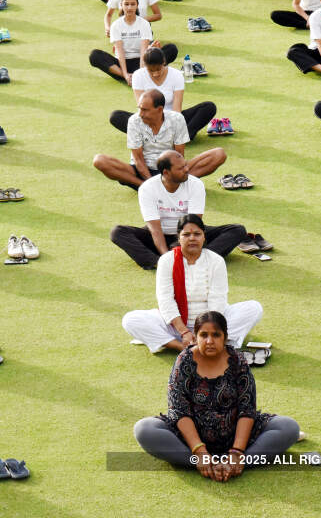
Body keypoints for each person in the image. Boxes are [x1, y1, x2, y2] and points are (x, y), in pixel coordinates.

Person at [132, 310, 300, 479]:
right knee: (144, 429)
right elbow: (179, 411)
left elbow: (247, 409)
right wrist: (199, 451)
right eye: (203, 335)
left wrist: (236, 452)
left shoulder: (237, 361)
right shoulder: (184, 361)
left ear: (225, 337)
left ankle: (234, 462)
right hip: (191, 441)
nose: (209, 341)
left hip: (236, 437)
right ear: (195, 337)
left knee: (288, 427)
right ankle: (204, 463)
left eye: (216, 335)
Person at [122, 216, 263, 353]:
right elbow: (165, 300)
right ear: (179, 237)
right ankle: (180, 346)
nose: (192, 238)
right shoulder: (167, 260)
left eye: (197, 234)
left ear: (204, 237)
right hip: (174, 326)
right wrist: (184, 331)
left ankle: (210, 340)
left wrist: (206, 332)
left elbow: (217, 300)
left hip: (211, 322)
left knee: (254, 308)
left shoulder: (216, 260)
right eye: (186, 234)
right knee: (130, 320)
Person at [109, 150, 247, 270]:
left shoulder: (195, 184)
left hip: (186, 233)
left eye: (186, 165)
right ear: (166, 172)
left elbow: (193, 225)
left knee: (237, 230)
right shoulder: (147, 188)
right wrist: (165, 259)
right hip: (158, 234)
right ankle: (156, 262)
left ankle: (199, 259)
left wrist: (183, 246)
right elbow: (155, 229)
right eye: (181, 168)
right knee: (118, 232)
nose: (187, 169)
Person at [94, 89, 227, 189]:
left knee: (219, 154)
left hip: (170, 170)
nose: (140, 114)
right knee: (100, 161)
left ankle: (166, 185)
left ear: (159, 110)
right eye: (139, 109)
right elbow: (138, 159)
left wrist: (172, 174)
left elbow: (179, 155)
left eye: (145, 110)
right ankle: (147, 188)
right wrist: (150, 183)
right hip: (141, 171)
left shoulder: (177, 119)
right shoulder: (134, 121)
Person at [108, 49, 217, 140]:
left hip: (172, 119)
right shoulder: (138, 76)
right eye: (151, 70)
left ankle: (176, 138)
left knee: (208, 107)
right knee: (116, 116)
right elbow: (142, 109)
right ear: (145, 66)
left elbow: (177, 110)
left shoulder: (176, 75)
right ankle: (167, 138)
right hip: (148, 120)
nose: (155, 74)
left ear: (164, 63)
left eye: (158, 69)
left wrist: (170, 128)